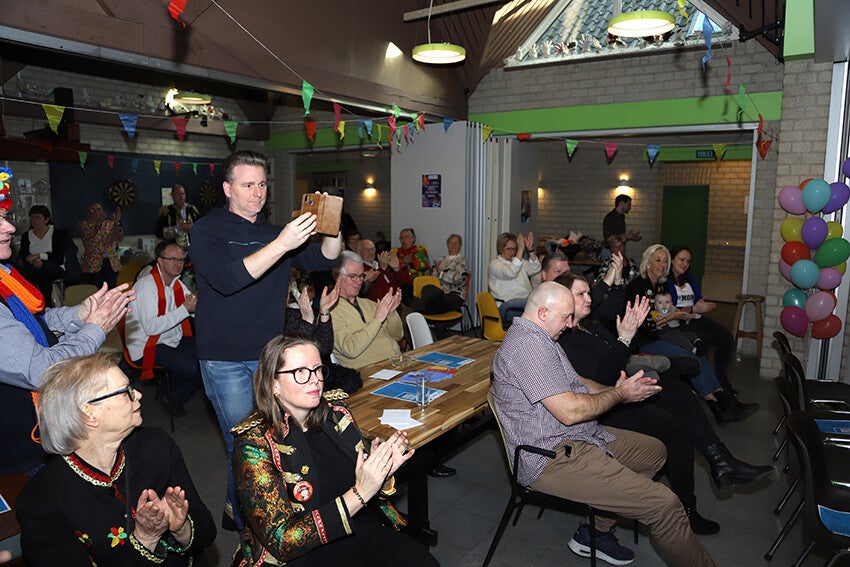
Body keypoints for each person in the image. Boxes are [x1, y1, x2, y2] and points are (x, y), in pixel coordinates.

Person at [491, 282, 716, 566]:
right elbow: (570, 412)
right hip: (550, 457)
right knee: (665, 504)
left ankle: (594, 533)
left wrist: (618, 391)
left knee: (655, 451)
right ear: (544, 313)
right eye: (566, 317)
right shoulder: (528, 347)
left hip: (575, 437)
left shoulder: (543, 337)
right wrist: (620, 395)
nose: (570, 323)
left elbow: (580, 383)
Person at [190, 150, 342, 532]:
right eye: (247, 185)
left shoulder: (274, 231)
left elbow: (325, 259)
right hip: (224, 357)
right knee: (244, 446)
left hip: (270, 356)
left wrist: (333, 224)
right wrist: (283, 243)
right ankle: (253, 533)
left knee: (274, 440)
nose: (257, 193)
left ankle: (242, 508)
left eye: (261, 185)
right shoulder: (207, 230)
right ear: (228, 189)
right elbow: (228, 279)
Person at [555, 272, 772, 535]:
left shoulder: (590, 325)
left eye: (588, 292)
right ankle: (688, 510)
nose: (589, 298)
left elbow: (619, 358)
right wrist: (624, 339)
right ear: (563, 299)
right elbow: (601, 377)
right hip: (604, 406)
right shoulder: (565, 338)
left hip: (622, 390)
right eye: (580, 294)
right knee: (676, 431)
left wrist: (633, 331)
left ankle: (721, 461)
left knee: (680, 391)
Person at [231, 334, 438, 566]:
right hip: (307, 553)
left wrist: (383, 474)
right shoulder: (254, 445)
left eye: (317, 369)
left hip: (362, 527)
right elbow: (283, 543)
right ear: (273, 384)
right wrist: (360, 492)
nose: (314, 380)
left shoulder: (337, 413)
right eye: (300, 372)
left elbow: (370, 489)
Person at [17, 354, 216, 566]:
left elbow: (207, 532)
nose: (138, 394)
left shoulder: (156, 445)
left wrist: (181, 528)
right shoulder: (41, 500)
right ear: (88, 414)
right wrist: (146, 539)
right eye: (125, 391)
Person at [0, 197, 134, 476]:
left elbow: (35, 322)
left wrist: (80, 314)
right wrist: (94, 329)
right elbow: (41, 369)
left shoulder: (4, 273)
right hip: (22, 449)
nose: (10, 227)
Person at [625, 244, 757, 424]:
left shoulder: (659, 286)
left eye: (665, 261)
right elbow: (646, 324)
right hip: (643, 340)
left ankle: (720, 401)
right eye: (658, 260)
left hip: (662, 332)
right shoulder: (639, 286)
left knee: (699, 351)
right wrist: (676, 315)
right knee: (691, 355)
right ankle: (717, 404)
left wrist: (677, 314)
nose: (662, 265)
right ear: (648, 262)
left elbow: (665, 312)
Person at [125, 240, 201, 417]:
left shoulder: (176, 283)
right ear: (159, 261)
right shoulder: (146, 286)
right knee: (193, 368)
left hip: (170, 339)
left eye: (181, 260)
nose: (178, 264)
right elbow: (151, 328)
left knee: (209, 356)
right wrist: (186, 309)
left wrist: (197, 309)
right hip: (146, 345)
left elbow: (191, 306)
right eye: (173, 259)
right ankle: (172, 396)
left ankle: (169, 390)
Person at [667, 245, 738, 393]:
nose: (685, 264)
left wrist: (701, 305)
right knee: (702, 343)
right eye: (681, 259)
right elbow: (670, 309)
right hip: (679, 322)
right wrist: (693, 309)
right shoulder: (665, 282)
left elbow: (698, 298)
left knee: (727, 338)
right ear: (672, 260)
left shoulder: (689, 278)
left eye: (687, 261)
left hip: (695, 318)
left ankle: (721, 380)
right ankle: (696, 385)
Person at [330, 251, 403, 368]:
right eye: (353, 276)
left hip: (395, 362)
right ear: (338, 277)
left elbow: (397, 336)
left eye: (361, 276)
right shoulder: (330, 312)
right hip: (369, 371)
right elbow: (350, 349)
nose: (359, 281)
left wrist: (391, 314)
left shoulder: (369, 304)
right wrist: (377, 320)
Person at [15, 205, 70, 307]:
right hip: (33, 266)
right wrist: (34, 260)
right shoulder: (26, 235)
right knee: (29, 272)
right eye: (32, 217)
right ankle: (32, 303)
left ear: (46, 219)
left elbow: (58, 257)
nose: (34, 220)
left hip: (54, 267)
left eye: (38, 217)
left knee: (45, 270)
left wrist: (39, 256)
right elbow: (23, 254)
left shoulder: (56, 234)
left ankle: (45, 304)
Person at [488, 231, 540, 321]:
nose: (512, 252)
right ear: (501, 248)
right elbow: (510, 273)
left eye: (515, 249)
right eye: (509, 249)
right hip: (507, 304)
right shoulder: (495, 264)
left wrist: (530, 250)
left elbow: (535, 268)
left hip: (524, 301)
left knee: (540, 303)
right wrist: (520, 250)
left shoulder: (519, 261)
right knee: (535, 305)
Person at [78, 202, 123, 289]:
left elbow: (116, 237)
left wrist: (116, 223)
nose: (97, 212)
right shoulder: (84, 225)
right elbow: (93, 236)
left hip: (110, 262)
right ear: (88, 213)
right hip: (93, 265)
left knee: (112, 288)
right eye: (93, 210)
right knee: (96, 289)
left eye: (99, 210)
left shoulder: (109, 224)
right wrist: (99, 223)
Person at [651, 290, 706, 355]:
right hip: (665, 333)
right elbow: (657, 321)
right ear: (655, 306)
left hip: (676, 329)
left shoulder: (672, 308)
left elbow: (680, 312)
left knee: (689, 334)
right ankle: (693, 350)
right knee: (680, 339)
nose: (664, 305)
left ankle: (697, 341)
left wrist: (685, 317)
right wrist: (658, 319)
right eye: (660, 302)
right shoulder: (655, 313)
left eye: (667, 302)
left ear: (671, 304)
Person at [156, 184, 201, 248]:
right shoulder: (167, 211)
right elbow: (159, 233)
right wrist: (177, 229)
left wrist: (192, 227)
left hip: (193, 247)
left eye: (183, 194)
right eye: (178, 194)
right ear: (173, 196)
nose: (181, 196)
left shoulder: (192, 210)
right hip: (174, 248)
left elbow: (201, 226)